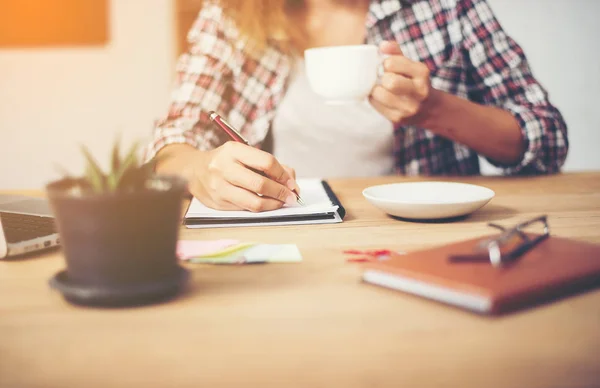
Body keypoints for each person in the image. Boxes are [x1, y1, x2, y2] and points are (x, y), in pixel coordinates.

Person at [145, 0, 568, 212]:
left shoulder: (443, 8)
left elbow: (547, 136)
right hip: (285, 234)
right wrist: (198, 170)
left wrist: (435, 110)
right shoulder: (234, 11)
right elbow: (174, 138)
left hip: (418, 241)